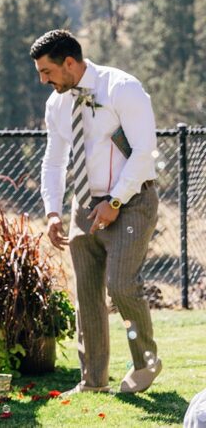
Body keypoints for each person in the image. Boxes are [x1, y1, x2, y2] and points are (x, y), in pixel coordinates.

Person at [31, 29, 162, 394]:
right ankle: (92, 380)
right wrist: (53, 211)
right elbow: (53, 161)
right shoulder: (57, 104)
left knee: (121, 286)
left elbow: (144, 152)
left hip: (132, 202)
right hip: (83, 205)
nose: (43, 80)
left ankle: (146, 362)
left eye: (47, 71)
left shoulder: (122, 88)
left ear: (69, 62)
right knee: (87, 294)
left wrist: (116, 201)